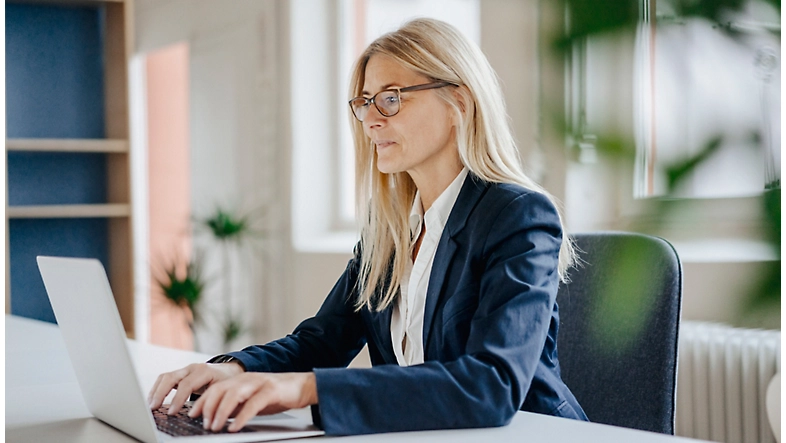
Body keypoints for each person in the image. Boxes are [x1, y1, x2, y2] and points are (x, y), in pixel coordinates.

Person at [148, 17, 588, 435]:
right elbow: (322, 342)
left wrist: (305, 389)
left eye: (391, 98)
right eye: (365, 102)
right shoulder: (390, 228)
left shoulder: (518, 216)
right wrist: (233, 369)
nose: (372, 119)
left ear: (459, 102)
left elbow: (490, 384)